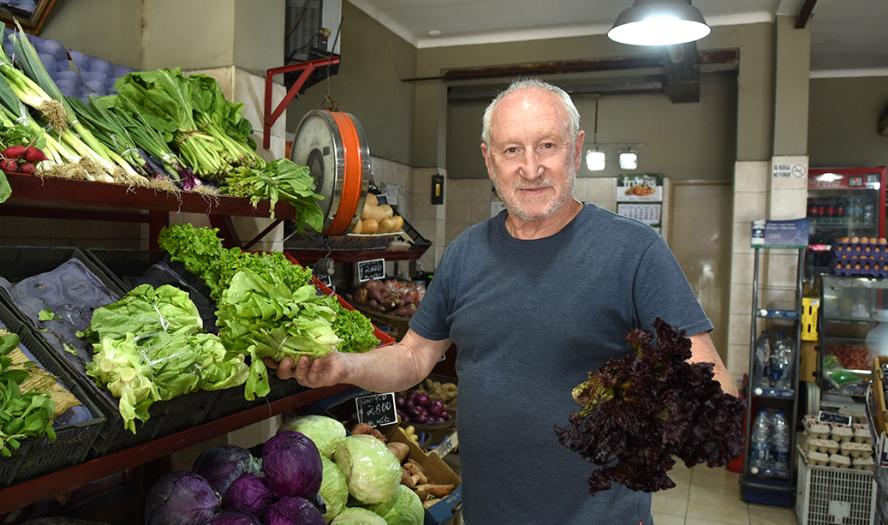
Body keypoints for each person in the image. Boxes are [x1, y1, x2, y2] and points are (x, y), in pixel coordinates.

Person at [271, 79, 736, 524]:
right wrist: (345, 366)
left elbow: (714, 387)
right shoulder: (465, 253)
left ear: (575, 149)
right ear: (490, 161)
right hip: (489, 512)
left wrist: (640, 404)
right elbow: (413, 357)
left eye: (547, 146)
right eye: (512, 150)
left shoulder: (634, 252)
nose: (530, 168)